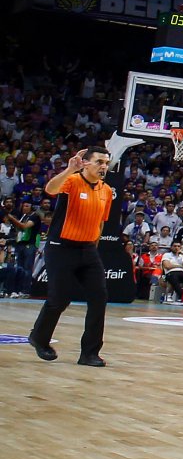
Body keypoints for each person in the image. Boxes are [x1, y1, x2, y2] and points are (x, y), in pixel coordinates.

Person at [28, 147, 116, 366]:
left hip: (88, 249)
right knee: (60, 298)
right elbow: (50, 188)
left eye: (106, 162)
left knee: (99, 298)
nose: (103, 166)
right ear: (85, 163)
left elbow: (100, 222)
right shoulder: (72, 181)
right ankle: (39, 338)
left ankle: (89, 353)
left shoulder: (106, 190)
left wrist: (94, 245)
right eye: (99, 162)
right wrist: (69, 170)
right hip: (61, 247)